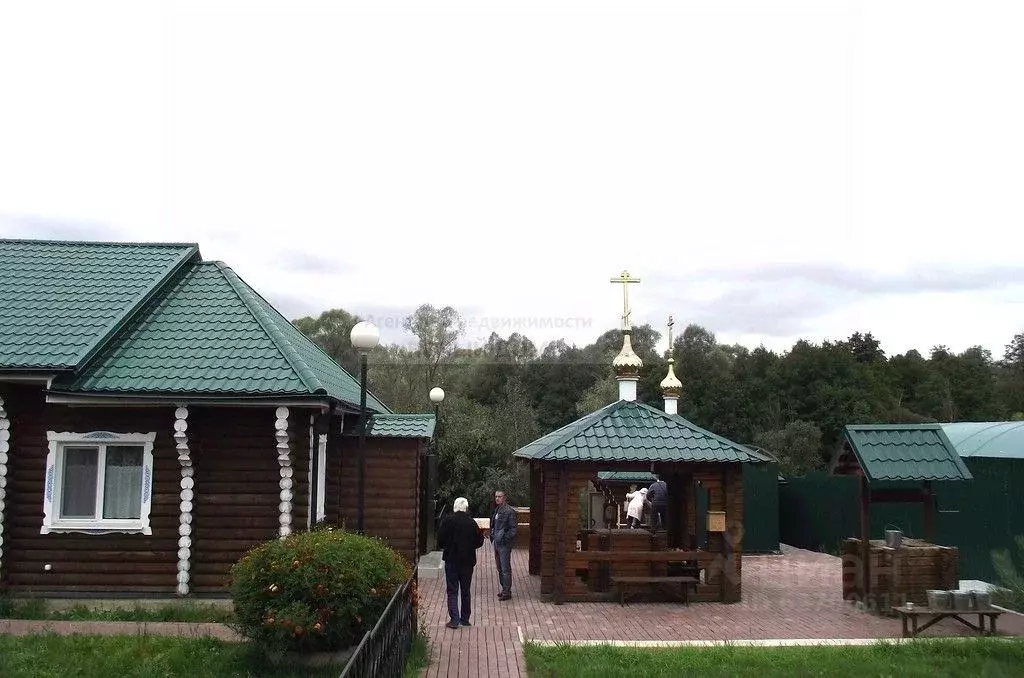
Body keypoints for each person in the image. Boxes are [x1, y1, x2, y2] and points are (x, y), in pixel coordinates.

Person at [436, 496, 484, 629]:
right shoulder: (471, 523)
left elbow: (440, 540)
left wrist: (447, 546)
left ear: (455, 507)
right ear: (466, 508)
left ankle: (454, 620)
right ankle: (465, 618)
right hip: (467, 561)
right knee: (465, 590)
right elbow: (479, 541)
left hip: (451, 559)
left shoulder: (448, 521)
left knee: (452, 590)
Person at [490, 489, 517, 600]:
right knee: (500, 568)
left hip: (504, 545)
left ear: (504, 498)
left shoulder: (509, 511)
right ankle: (504, 589)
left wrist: (504, 538)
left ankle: (507, 592)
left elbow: (513, 530)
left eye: (499, 496)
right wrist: (492, 534)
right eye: (496, 496)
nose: (497, 498)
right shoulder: (497, 509)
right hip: (497, 543)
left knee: (505, 568)